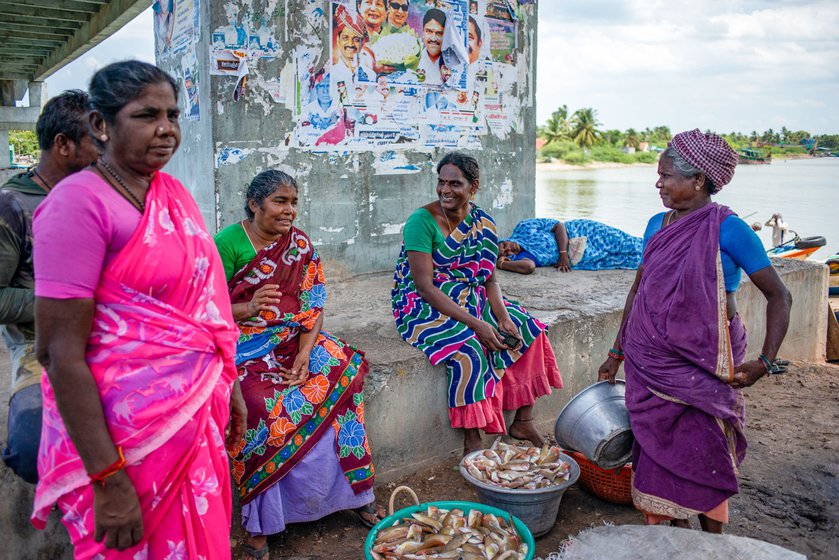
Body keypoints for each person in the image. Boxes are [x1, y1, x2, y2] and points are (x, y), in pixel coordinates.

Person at [31, 60, 246, 558]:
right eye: (147, 115)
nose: (166, 129)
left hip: (191, 421)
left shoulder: (171, 195)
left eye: (172, 115)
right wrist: (108, 479)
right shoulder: (77, 205)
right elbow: (59, 352)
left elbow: (204, 312)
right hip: (123, 444)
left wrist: (226, 385)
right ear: (102, 126)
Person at [598, 129, 792, 533]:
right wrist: (616, 353)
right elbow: (639, 290)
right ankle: (676, 538)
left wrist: (765, 362)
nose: (659, 182)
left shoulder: (730, 229)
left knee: (705, 448)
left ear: (699, 179)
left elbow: (780, 296)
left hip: (709, 357)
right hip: (649, 355)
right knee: (655, 448)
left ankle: (712, 541)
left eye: (667, 175)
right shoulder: (657, 224)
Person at [216, 170, 382, 560]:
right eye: (280, 201)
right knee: (257, 404)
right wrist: (248, 307)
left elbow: (313, 304)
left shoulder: (300, 243)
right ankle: (262, 523)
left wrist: (306, 352)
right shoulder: (227, 244)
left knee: (344, 372)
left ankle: (353, 493)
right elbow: (202, 307)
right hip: (239, 347)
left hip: (292, 340)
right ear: (255, 204)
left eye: (293, 202)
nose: (290, 210)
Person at [392, 152, 563, 454]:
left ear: (474, 186)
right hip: (422, 303)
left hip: (472, 296)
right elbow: (423, 286)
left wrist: (502, 317)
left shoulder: (482, 222)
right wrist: (478, 324)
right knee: (469, 349)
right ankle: (472, 440)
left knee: (527, 329)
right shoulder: (421, 221)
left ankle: (523, 420)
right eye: (441, 182)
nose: (445, 190)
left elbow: (490, 279)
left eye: (454, 183)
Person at [0, 90, 99, 484]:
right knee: (31, 449)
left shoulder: (101, 197)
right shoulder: (13, 205)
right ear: (63, 145)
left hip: (111, 337)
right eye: (97, 143)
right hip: (41, 348)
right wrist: (68, 304)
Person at [497, 218, 643, 274]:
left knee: (626, 243)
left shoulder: (523, 228)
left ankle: (661, 245)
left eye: (504, 244)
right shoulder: (524, 257)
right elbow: (529, 267)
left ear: (504, 239)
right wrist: (503, 265)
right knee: (626, 260)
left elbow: (558, 225)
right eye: (506, 253)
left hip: (582, 231)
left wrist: (562, 254)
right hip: (582, 255)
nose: (509, 248)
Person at [332, 5, 374, 96]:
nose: (350, 44)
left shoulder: (371, 75)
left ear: (362, 43)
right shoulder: (331, 74)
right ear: (338, 41)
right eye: (345, 38)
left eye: (355, 39)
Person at [417, 9, 447, 85]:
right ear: (423, 32)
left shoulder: (453, 63)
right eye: (429, 31)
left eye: (439, 33)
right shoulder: (413, 61)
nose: (433, 39)